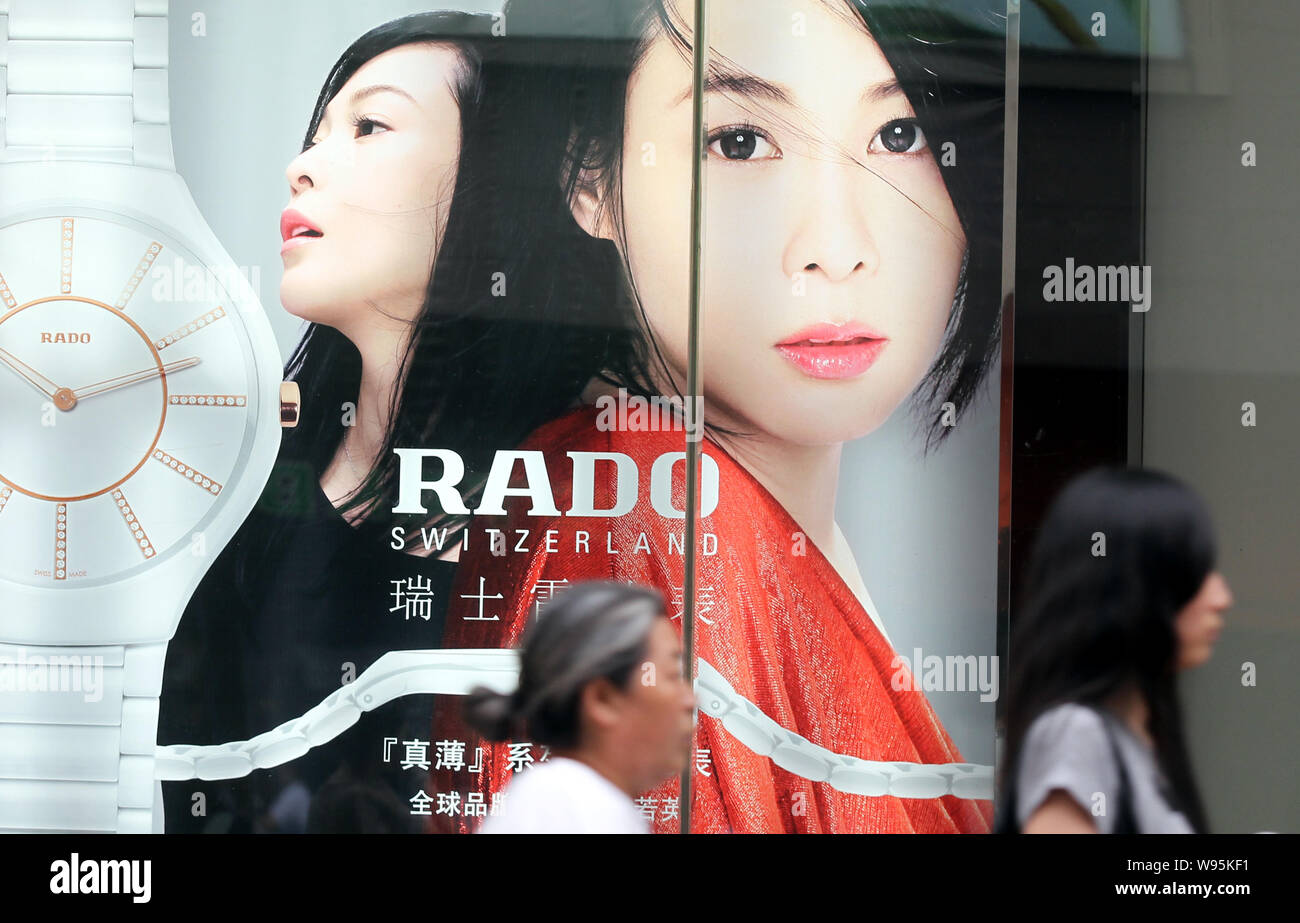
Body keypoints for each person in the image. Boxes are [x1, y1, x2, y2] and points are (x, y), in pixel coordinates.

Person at [432, 0, 1005, 833]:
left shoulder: (706, 511)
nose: (837, 245)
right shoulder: (638, 499)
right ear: (589, 176)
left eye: (900, 133)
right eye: (739, 141)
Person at [158, 11, 613, 833]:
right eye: (317, 131)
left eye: (369, 125)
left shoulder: (593, 484)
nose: (301, 167)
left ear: (502, 176)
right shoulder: (256, 476)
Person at [995, 467, 1231, 834]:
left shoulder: (1138, 736)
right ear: (1133, 591)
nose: (1221, 598)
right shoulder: (1077, 733)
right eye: (1195, 574)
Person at [461, 582, 695, 834]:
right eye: (673, 675)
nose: (691, 701)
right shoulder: (565, 806)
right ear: (603, 699)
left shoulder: (581, 801)